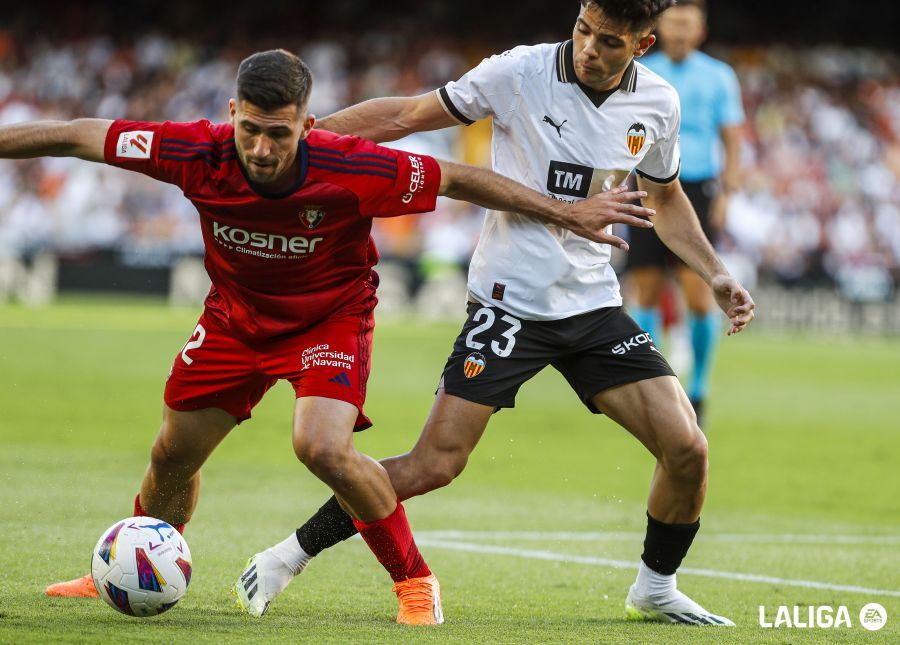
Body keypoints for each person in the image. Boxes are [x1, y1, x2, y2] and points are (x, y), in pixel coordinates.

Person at [11, 49, 654, 625]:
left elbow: (459, 178)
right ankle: (131, 567)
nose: (261, 149)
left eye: (279, 134)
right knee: (171, 456)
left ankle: (414, 581)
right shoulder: (194, 151)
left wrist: (565, 213)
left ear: (307, 124)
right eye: (250, 131)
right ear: (232, 113)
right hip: (234, 320)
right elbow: (76, 136)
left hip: (331, 320)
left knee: (320, 447)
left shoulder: (354, 166)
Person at [234, 0, 754, 627]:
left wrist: (716, 273)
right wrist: (299, 142)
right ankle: (285, 557)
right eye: (583, 30)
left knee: (688, 449)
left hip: (593, 306)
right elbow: (405, 114)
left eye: (609, 41)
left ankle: (655, 586)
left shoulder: (659, 103)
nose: (588, 48)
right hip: (508, 303)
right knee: (435, 465)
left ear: (640, 46)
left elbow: (665, 198)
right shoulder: (520, 72)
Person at [626, 0, 745, 423]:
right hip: (644, 182)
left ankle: (699, 389)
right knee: (648, 289)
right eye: (673, 23)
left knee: (698, 295)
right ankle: (654, 386)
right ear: (659, 28)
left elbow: (732, 139)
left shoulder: (718, 76)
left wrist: (728, 193)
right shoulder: (641, 70)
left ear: (700, 30)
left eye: (687, 24)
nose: (679, 32)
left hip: (696, 187)